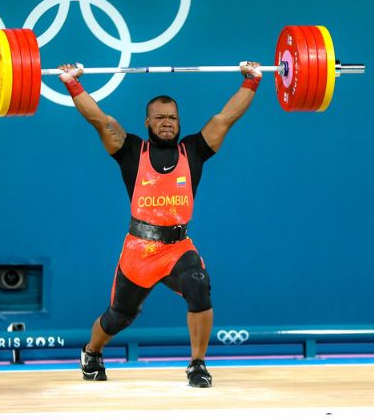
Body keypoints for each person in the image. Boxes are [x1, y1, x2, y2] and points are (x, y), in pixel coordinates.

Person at [57, 61, 263, 388]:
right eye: (160, 118)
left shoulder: (193, 150)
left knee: (198, 282)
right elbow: (99, 119)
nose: (167, 123)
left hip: (178, 248)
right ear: (148, 122)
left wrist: (252, 81)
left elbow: (227, 118)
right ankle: (92, 351)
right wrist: (72, 83)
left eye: (172, 118)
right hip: (139, 251)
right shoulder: (130, 151)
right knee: (118, 317)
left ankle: (197, 365)